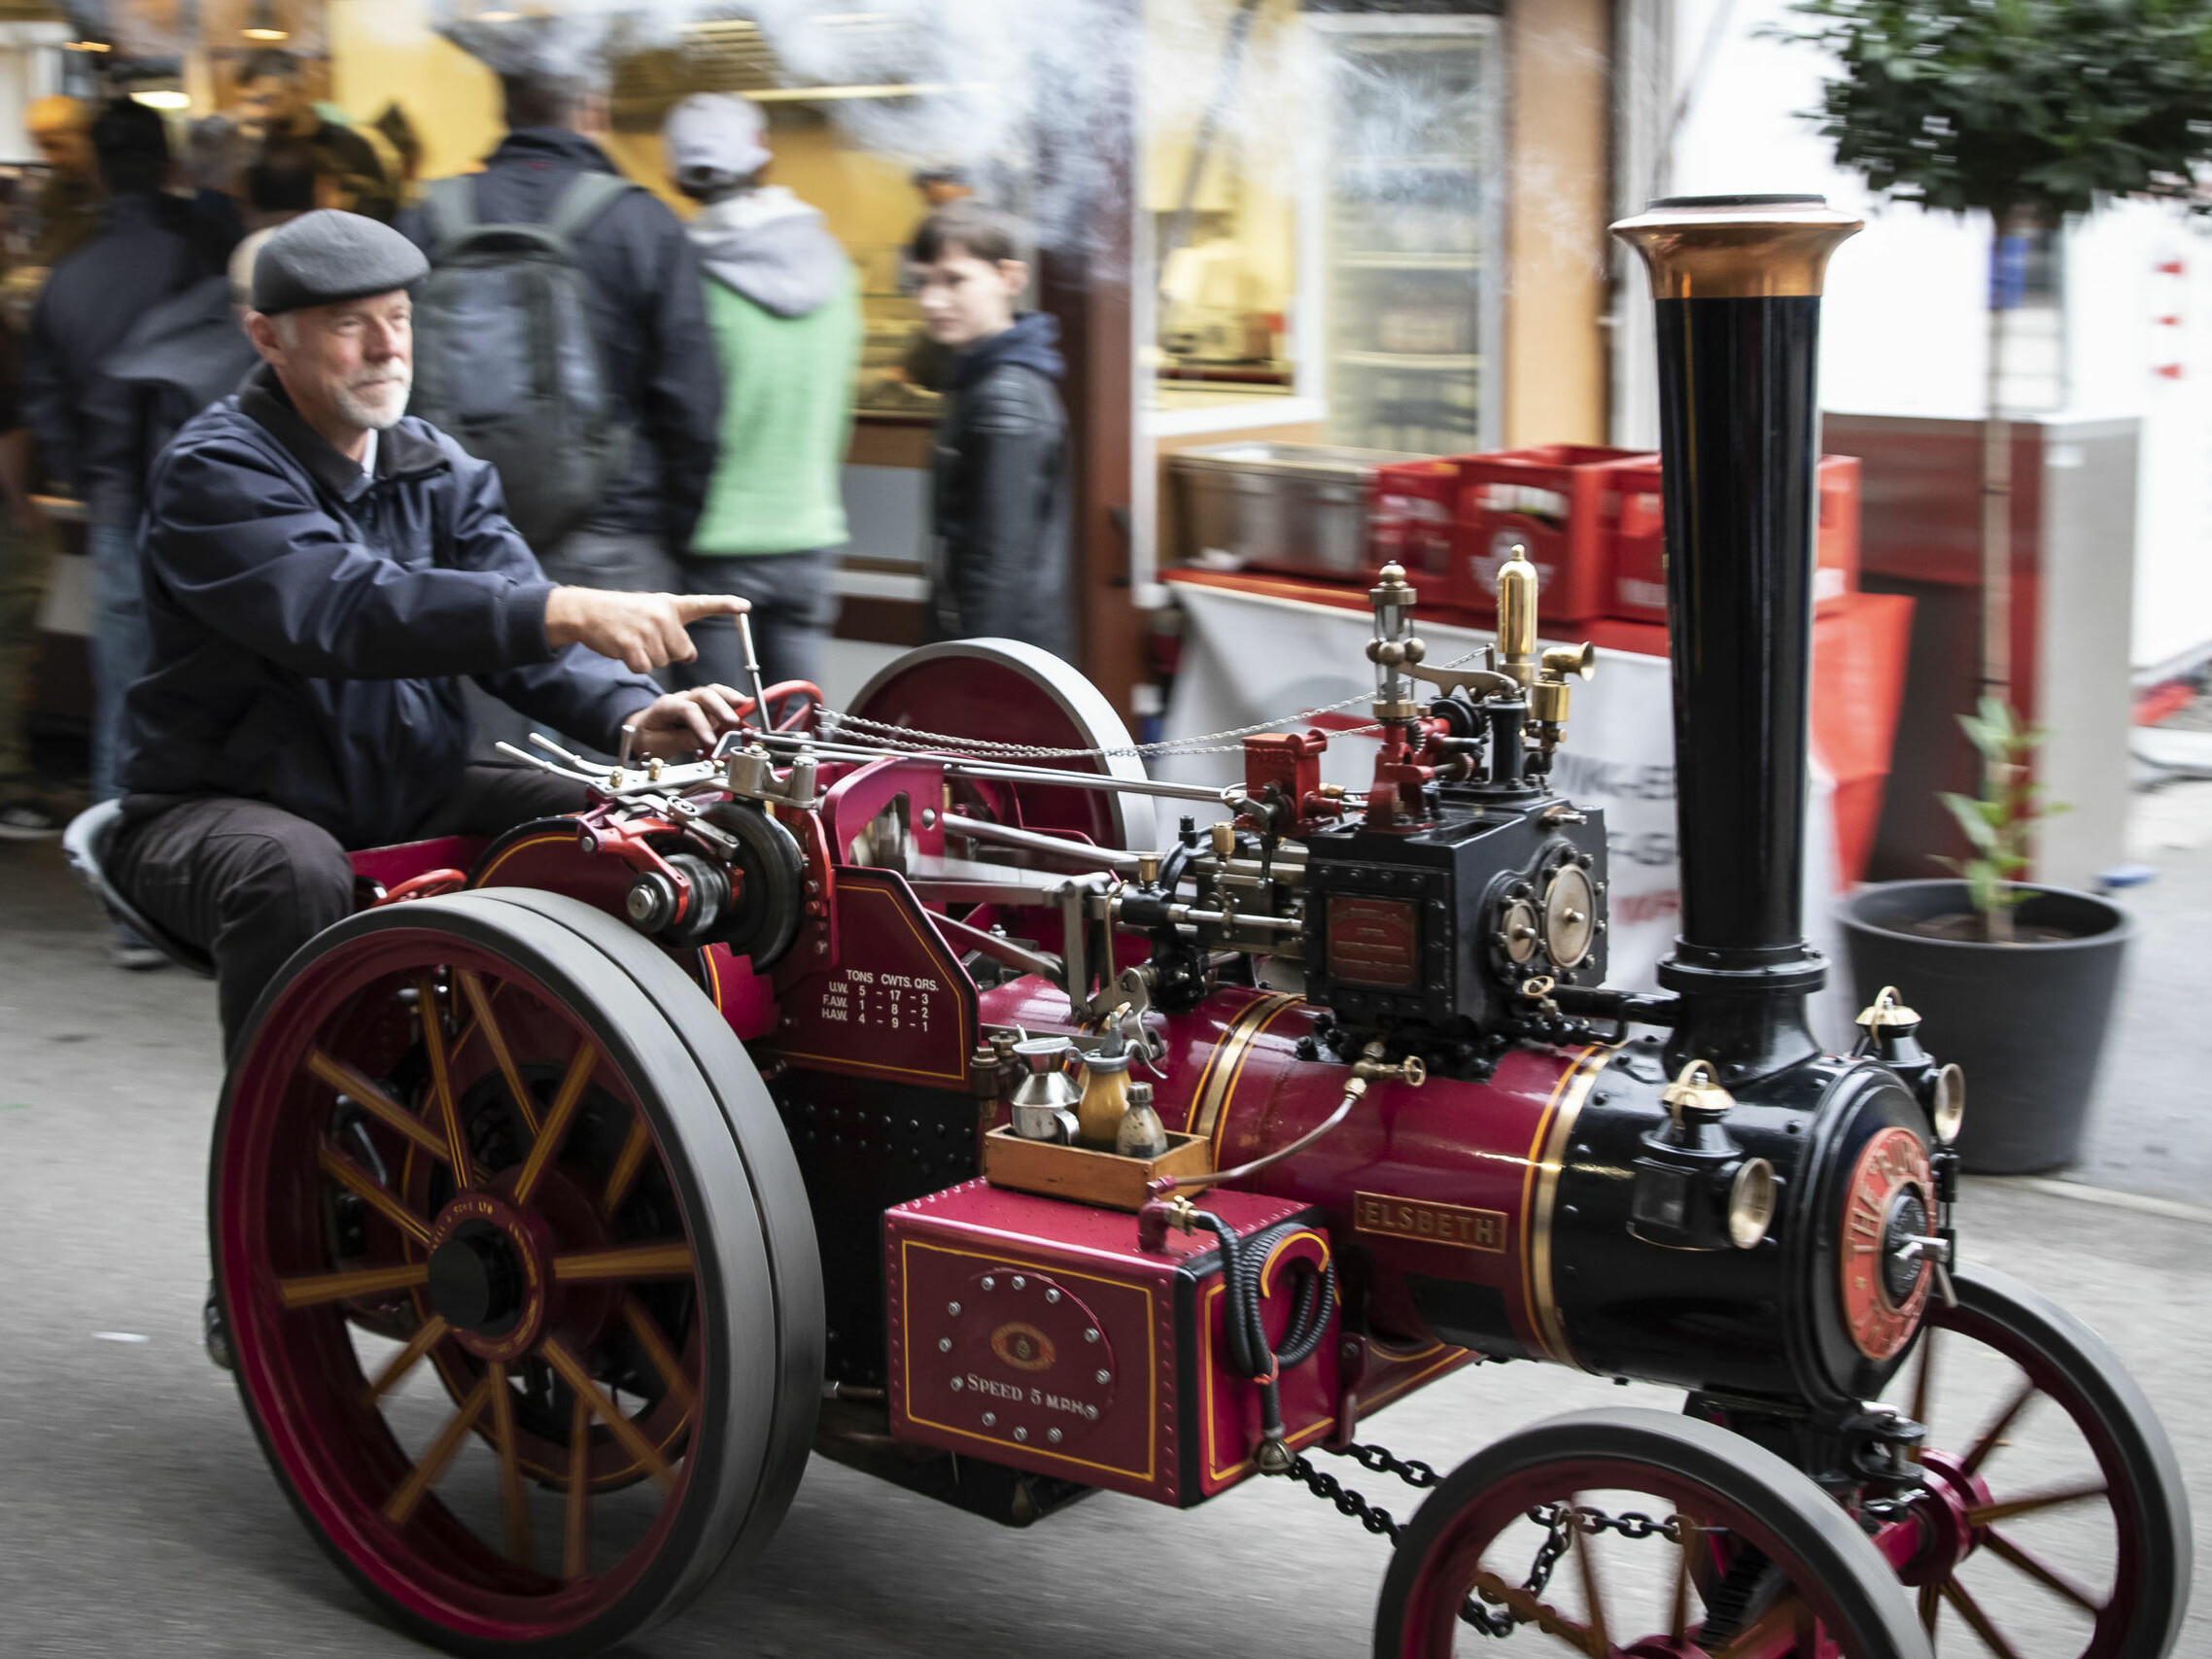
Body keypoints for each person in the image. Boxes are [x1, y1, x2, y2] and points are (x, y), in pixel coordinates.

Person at [104, 210, 755, 1055]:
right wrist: (568, 607)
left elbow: (518, 623)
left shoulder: (437, 464)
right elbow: (344, 610)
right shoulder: (215, 468)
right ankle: (291, 1151)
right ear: (268, 337)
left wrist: (633, 717)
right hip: (220, 805)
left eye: (400, 317)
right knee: (290, 870)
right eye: (349, 324)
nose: (387, 347)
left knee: (628, 831)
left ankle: (594, 1096)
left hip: (403, 784)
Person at [22, 100, 226, 939]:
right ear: (168, 162)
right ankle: (205, 894)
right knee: (215, 703)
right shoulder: (200, 257)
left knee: (124, 707)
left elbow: (47, 403)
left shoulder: (68, 276)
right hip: (208, 520)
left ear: (99, 169)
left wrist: (88, 475)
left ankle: (126, 911)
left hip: (115, 513)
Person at [663, 92, 858, 692]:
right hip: (809, 533)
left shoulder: (687, 275)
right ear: (762, 156)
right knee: (802, 749)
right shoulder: (833, 262)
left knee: (724, 754)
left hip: (715, 544)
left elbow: (678, 413)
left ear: (682, 177)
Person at [907, 202, 1072, 658]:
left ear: (1009, 278)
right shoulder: (977, 377)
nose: (932, 300)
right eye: (923, 282)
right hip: (989, 647)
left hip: (997, 656)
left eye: (954, 279)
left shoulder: (1006, 395)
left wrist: (970, 667)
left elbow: (997, 563)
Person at [233, 49, 397, 222]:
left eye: (271, 100)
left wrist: (345, 204)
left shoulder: (348, 145)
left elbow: (383, 211)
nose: (262, 113)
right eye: (253, 102)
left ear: (298, 91)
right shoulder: (256, 155)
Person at [24, 95, 101, 271]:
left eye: (56, 146)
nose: (50, 159)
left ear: (85, 133)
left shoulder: (115, 193)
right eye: (43, 148)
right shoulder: (55, 193)